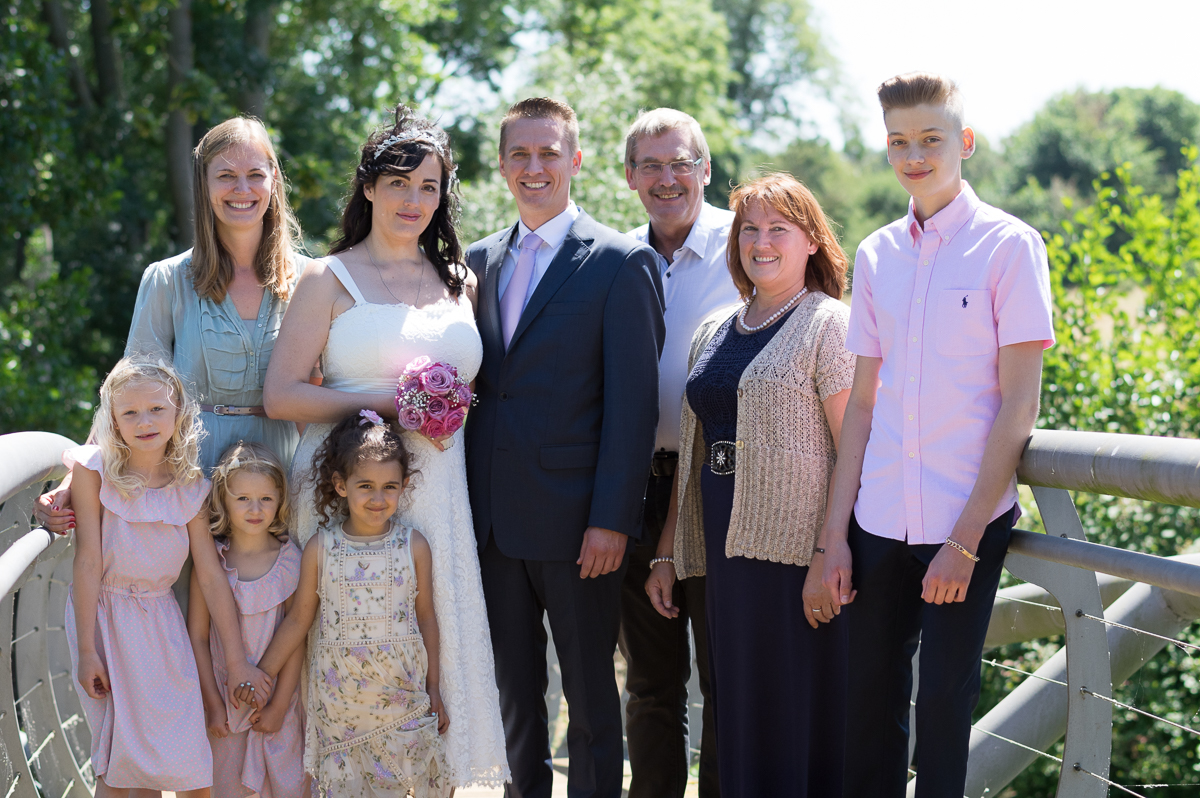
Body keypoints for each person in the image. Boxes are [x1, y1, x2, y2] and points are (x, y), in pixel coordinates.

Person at [816, 73, 1053, 798]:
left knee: (945, 712)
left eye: (930, 139)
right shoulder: (876, 253)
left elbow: (1019, 405)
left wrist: (965, 541)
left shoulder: (1010, 247)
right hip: (878, 519)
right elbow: (862, 406)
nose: (913, 156)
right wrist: (833, 538)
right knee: (866, 711)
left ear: (965, 142)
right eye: (899, 142)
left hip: (964, 520)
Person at [261, 104, 509, 789]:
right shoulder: (327, 278)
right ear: (369, 188)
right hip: (346, 489)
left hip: (439, 493)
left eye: (429, 186)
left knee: (431, 645)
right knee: (351, 649)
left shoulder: (460, 281)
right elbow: (282, 395)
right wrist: (389, 403)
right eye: (398, 183)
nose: (413, 200)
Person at [464, 96, 665, 798]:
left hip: (580, 526)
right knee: (514, 698)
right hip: (492, 524)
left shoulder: (620, 262)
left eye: (548, 152)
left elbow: (634, 410)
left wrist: (612, 519)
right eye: (519, 154)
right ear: (501, 165)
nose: (534, 166)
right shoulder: (476, 262)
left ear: (575, 160)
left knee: (589, 697)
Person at [646, 173, 855, 797]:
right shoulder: (715, 328)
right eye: (749, 230)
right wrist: (666, 551)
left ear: (812, 241)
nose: (761, 243)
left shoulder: (830, 325)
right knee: (736, 707)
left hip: (794, 553)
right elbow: (693, 451)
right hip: (719, 544)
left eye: (778, 229)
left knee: (790, 708)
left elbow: (855, 450)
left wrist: (828, 551)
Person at [36, 115, 307, 534]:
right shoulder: (167, 280)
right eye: (226, 176)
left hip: (282, 480)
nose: (242, 189)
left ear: (274, 180)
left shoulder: (311, 281)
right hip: (186, 481)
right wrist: (72, 482)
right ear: (204, 184)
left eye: (255, 174)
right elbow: (130, 394)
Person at [65, 358, 273, 797]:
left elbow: (212, 577)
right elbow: (87, 562)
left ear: (178, 411)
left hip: (161, 621)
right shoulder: (93, 470)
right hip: (103, 617)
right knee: (117, 757)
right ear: (112, 419)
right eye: (130, 412)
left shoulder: (190, 486)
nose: (144, 422)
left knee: (187, 756)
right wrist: (86, 650)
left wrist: (237, 660)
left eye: (157, 409)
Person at [619, 107, 739, 798]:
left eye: (681, 163)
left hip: (723, 487)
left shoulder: (747, 244)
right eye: (652, 166)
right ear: (630, 175)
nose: (668, 179)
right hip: (637, 490)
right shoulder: (615, 258)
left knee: (725, 677)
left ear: (706, 169)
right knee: (650, 681)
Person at [250, 411, 451, 797]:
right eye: (366, 486)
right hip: (341, 701)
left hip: (402, 694)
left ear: (404, 486)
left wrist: (434, 688)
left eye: (389, 487)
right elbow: (298, 621)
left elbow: (426, 618)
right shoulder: (321, 548)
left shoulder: (413, 546)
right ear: (341, 485)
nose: (378, 499)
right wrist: (261, 676)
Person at [188, 441, 308, 798]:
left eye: (266, 499)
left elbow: (296, 640)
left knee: (283, 785)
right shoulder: (212, 565)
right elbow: (198, 637)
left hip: (277, 702)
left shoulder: (291, 560)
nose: (255, 509)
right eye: (242, 499)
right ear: (223, 500)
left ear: (280, 499)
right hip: (226, 702)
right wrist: (212, 703)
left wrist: (279, 706)